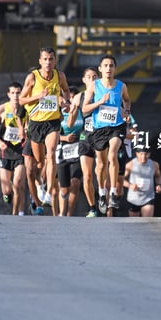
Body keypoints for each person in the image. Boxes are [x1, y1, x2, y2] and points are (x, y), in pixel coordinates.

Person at [19, 46, 70, 215]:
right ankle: (40, 185)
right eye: (45, 59)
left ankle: (47, 193)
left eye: (51, 59)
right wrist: (38, 96)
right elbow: (21, 100)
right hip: (36, 124)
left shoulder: (59, 76)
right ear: (40, 61)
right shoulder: (32, 78)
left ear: (55, 61)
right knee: (39, 162)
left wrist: (66, 103)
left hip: (53, 122)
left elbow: (66, 91)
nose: (48, 62)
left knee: (52, 153)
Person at [82, 54, 131, 214]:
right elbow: (84, 109)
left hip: (117, 126)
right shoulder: (94, 86)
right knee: (101, 165)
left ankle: (113, 192)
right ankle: (102, 192)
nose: (109, 68)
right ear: (100, 69)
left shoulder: (121, 86)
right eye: (106, 65)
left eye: (111, 65)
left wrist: (127, 111)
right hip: (99, 129)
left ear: (115, 68)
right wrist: (100, 102)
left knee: (112, 155)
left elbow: (127, 100)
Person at [0, 82, 27, 215]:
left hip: (21, 150)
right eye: (13, 93)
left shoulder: (26, 108)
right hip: (6, 150)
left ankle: (17, 213)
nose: (16, 96)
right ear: (8, 94)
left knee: (18, 184)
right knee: (6, 190)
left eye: (18, 93)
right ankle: (7, 194)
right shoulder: (2, 109)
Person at [74, 67, 103, 217]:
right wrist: (70, 111)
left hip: (101, 137)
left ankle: (103, 196)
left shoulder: (103, 94)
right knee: (87, 176)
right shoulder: (79, 97)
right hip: (85, 138)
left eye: (95, 76)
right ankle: (93, 208)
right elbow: (73, 119)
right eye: (89, 77)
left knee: (100, 171)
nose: (92, 79)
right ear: (84, 80)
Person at [55, 86, 83, 216]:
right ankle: (61, 212)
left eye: (73, 97)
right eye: (69, 98)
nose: (71, 100)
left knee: (75, 182)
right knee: (64, 189)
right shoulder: (57, 114)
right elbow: (50, 135)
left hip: (79, 148)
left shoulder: (81, 112)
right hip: (63, 149)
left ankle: (69, 214)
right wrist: (64, 137)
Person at [123, 148, 161, 217]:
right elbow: (120, 179)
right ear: (137, 154)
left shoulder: (154, 164)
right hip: (133, 199)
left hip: (148, 197)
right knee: (134, 224)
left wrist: (158, 185)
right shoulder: (131, 164)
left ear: (149, 154)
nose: (143, 157)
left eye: (146, 154)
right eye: (141, 154)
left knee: (148, 222)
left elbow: (158, 176)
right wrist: (130, 186)